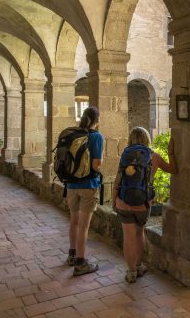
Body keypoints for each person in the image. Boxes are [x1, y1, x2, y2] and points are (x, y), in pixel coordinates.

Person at [112, 127, 177, 283]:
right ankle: (139, 265)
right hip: (142, 204)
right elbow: (173, 170)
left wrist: (114, 201)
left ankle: (131, 272)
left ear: (131, 139)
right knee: (139, 233)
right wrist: (171, 152)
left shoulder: (125, 156)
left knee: (128, 236)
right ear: (147, 139)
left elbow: (117, 182)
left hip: (123, 202)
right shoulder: (154, 156)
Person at [66, 106, 103, 276]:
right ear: (98, 120)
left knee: (73, 221)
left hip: (71, 185)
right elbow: (96, 165)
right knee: (83, 225)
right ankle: (81, 263)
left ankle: (72, 255)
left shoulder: (74, 134)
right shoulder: (96, 137)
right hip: (88, 185)